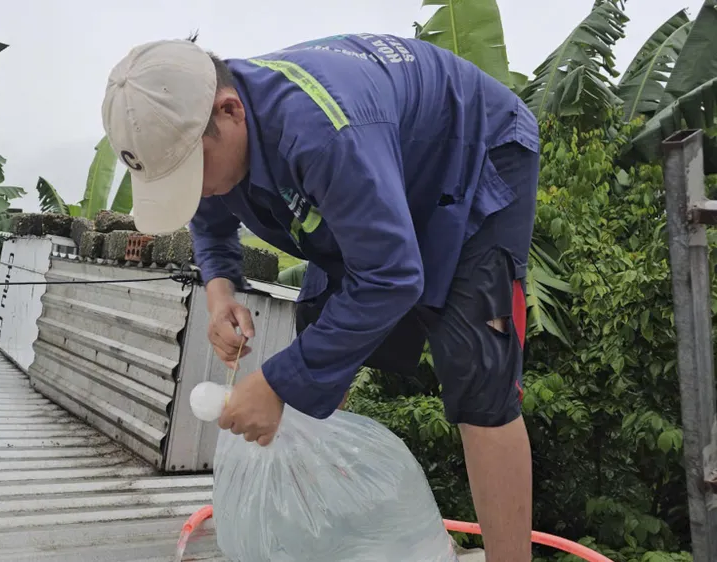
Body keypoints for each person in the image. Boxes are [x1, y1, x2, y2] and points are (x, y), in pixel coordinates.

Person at [100, 32, 539, 562]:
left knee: (477, 372)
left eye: (193, 175)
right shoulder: (205, 131)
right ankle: (343, 526)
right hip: (376, 171)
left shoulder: (320, 133)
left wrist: (278, 384)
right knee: (319, 328)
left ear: (231, 110)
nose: (197, 191)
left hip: (473, 153)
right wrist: (220, 293)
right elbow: (212, 227)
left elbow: (393, 276)